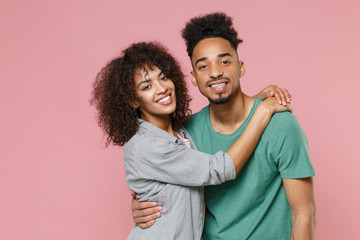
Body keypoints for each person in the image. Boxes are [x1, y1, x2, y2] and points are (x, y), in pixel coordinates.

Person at [131, 13, 316, 240]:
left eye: (225, 61)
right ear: (193, 78)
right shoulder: (187, 133)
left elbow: (304, 213)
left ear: (241, 67)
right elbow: (164, 178)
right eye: (203, 66)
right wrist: (138, 203)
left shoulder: (282, 126)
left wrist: (261, 108)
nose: (216, 72)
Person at [91, 41, 291, 239]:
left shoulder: (181, 131)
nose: (161, 89)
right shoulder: (146, 144)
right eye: (147, 86)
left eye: (163, 77)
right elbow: (218, 169)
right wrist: (263, 111)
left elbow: (222, 126)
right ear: (133, 100)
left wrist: (254, 102)